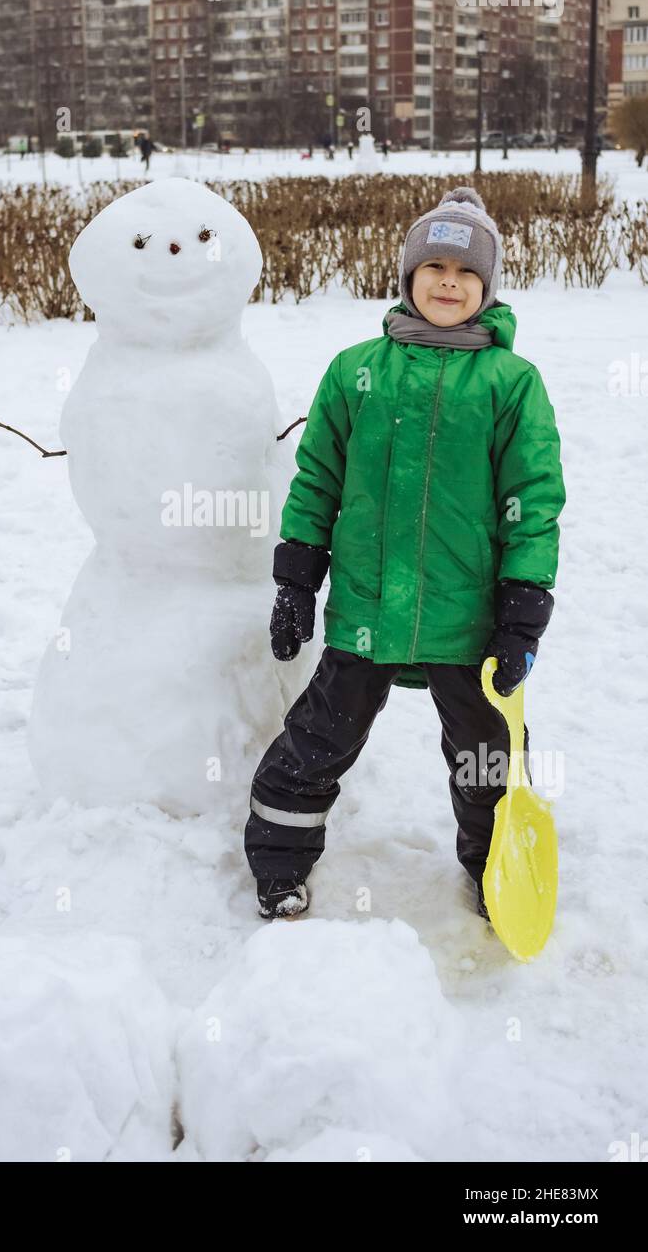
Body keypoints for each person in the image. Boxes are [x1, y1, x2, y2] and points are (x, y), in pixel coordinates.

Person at [245, 186, 565, 923]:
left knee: (487, 761)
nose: (448, 282)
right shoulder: (357, 370)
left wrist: (522, 613)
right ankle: (280, 861)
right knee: (317, 741)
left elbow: (534, 501)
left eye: (466, 271)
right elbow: (318, 478)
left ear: (487, 288)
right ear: (408, 276)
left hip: (469, 620)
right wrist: (297, 579)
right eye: (435, 266)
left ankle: (494, 871)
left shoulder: (511, 385)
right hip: (366, 607)